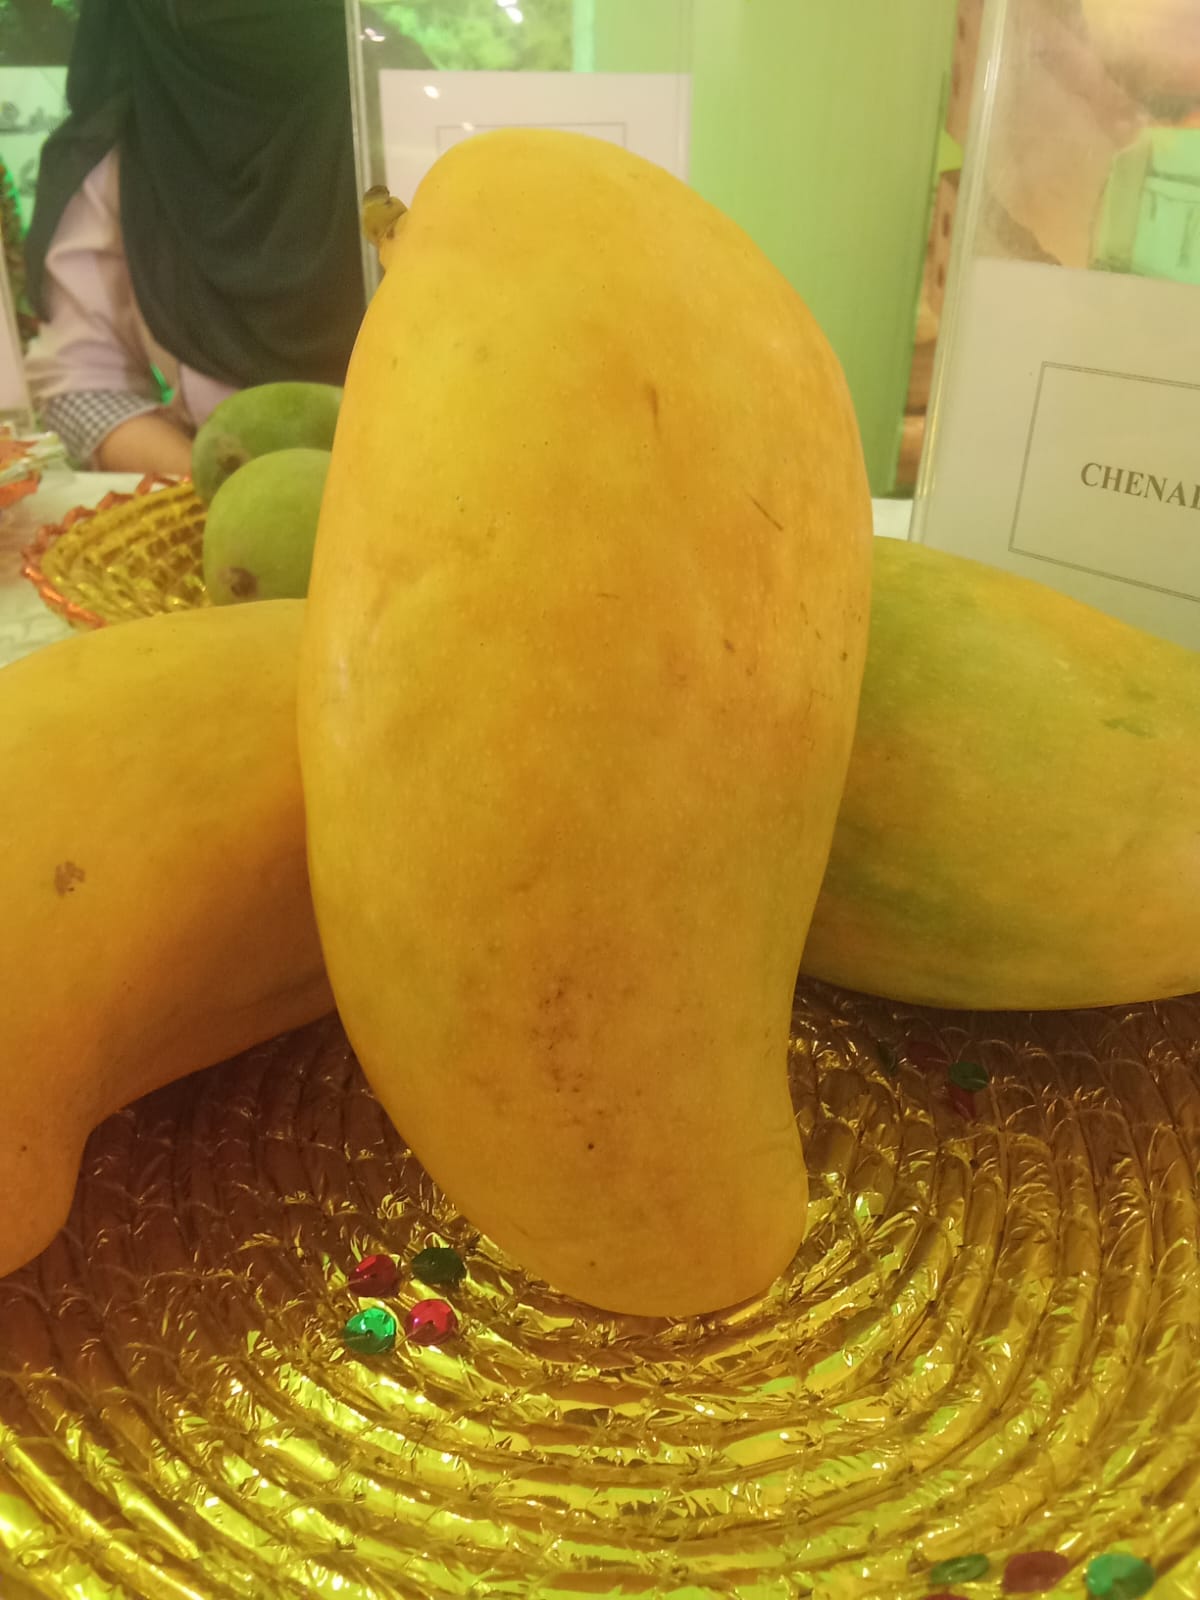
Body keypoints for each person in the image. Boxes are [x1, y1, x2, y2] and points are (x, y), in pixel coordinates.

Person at [22, 0, 370, 475]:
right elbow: (81, 389)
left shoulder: (400, 101)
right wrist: (215, 486)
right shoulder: (119, 154)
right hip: (210, 499)